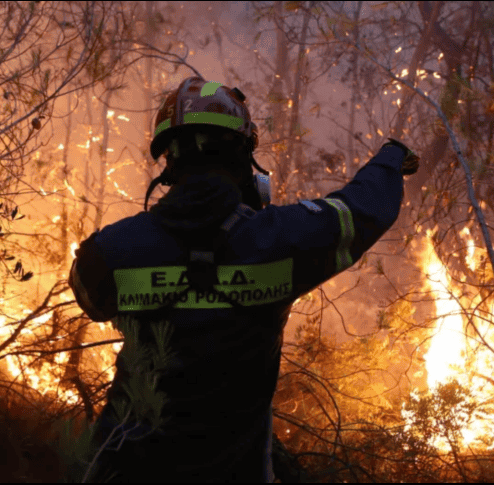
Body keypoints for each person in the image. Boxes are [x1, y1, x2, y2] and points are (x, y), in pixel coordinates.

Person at [68, 76, 419, 482]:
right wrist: (390, 160)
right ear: (242, 158)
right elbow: (359, 210)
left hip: (122, 471)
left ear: (168, 159)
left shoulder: (115, 250)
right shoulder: (282, 240)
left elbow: (89, 296)